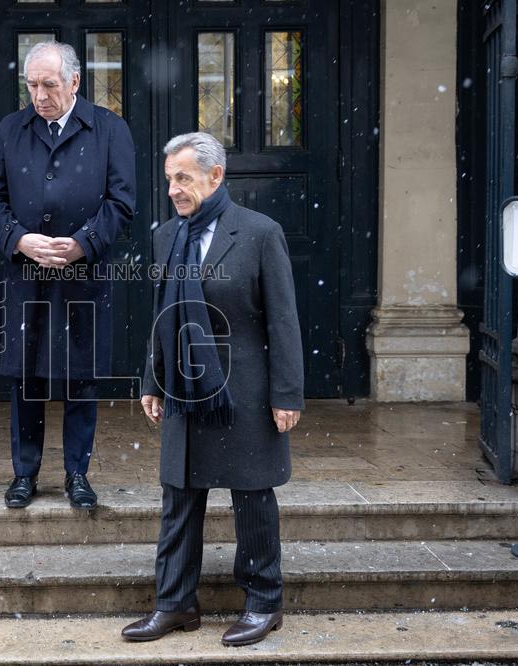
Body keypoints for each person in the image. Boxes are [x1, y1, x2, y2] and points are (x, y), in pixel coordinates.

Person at [121, 132, 303, 646]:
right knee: (179, 497)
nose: (174, 189)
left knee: (252, 497)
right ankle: (175, 604)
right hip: (184, 387)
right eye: (170, 180)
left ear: (215, 176)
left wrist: (287, 393)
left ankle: (264, 603)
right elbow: (163, 316)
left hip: (244, 388)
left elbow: (283, 321)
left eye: (184, 178)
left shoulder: (259, 233)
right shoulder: (165, 237)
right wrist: (153, 380)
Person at [0, 41, 136, 510]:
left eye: (49, 84)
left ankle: (77, 475)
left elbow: (122, 202)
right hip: (26, 275)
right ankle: (24, 474)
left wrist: (82, 243)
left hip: (83, 275)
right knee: (26, 376)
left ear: (74, 81)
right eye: (32, 85)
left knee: (80, 378)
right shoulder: (11, 129)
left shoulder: (109, 129)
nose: (39, 94)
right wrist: (20, 239)